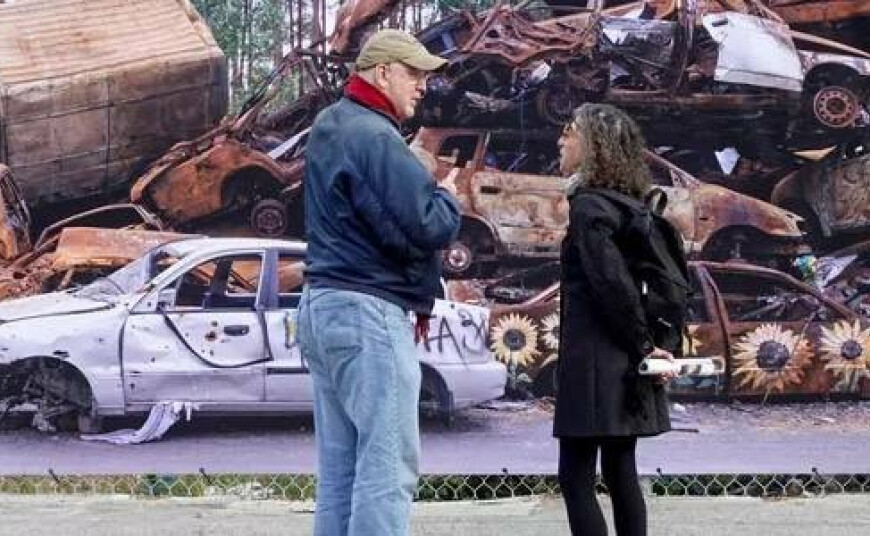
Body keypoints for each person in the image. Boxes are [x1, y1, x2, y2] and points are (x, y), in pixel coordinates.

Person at [297, 29, 461, 536]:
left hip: (322, 305)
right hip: (368, 314)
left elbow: (379, 219)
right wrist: (447, 195)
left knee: (341, 472)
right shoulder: (373, 134)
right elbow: (427, 225)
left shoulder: (329, 125)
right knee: (387, 469)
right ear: (382, 72)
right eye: (413, 74)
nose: (422, 87)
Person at [554, 103, 679, 536]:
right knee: (621, 469)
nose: (561, 141)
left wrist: (644, 346)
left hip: (594, 361)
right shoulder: (629, 205)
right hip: (628, 361)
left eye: (569, 132)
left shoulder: (588, 206)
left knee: (575, 476)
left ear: (593, 146)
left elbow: (611, 285)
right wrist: (650, 349)